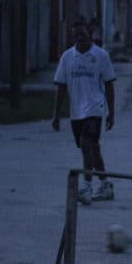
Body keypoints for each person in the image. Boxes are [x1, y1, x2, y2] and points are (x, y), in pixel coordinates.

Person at [52, 19, 116, 204]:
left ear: (89, 33)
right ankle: (105, 185)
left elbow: (109, 84)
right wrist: (56, 115)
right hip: (76, 112)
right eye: (75, 35)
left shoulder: (101, 56)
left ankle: (86, 188)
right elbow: (61, 87)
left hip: (95, 109)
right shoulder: (67, 57)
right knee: (92, 151)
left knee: (87, 143)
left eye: (82, 33)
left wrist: (111, 112)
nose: (79, 38)